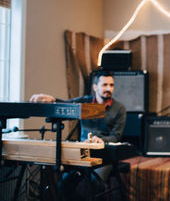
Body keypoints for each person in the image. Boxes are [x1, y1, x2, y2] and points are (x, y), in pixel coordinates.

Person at [30, 71, 127, 200]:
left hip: (104, 153)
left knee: (94, 182)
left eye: (111, 85)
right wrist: (52, 100)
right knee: (64, 182)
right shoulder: (85, 101)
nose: (108, 89)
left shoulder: (120, 108)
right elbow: (67, 104)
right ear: (95, 87)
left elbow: (116, 136)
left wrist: (101, 140)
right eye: (104, 85)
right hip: (82, 152)